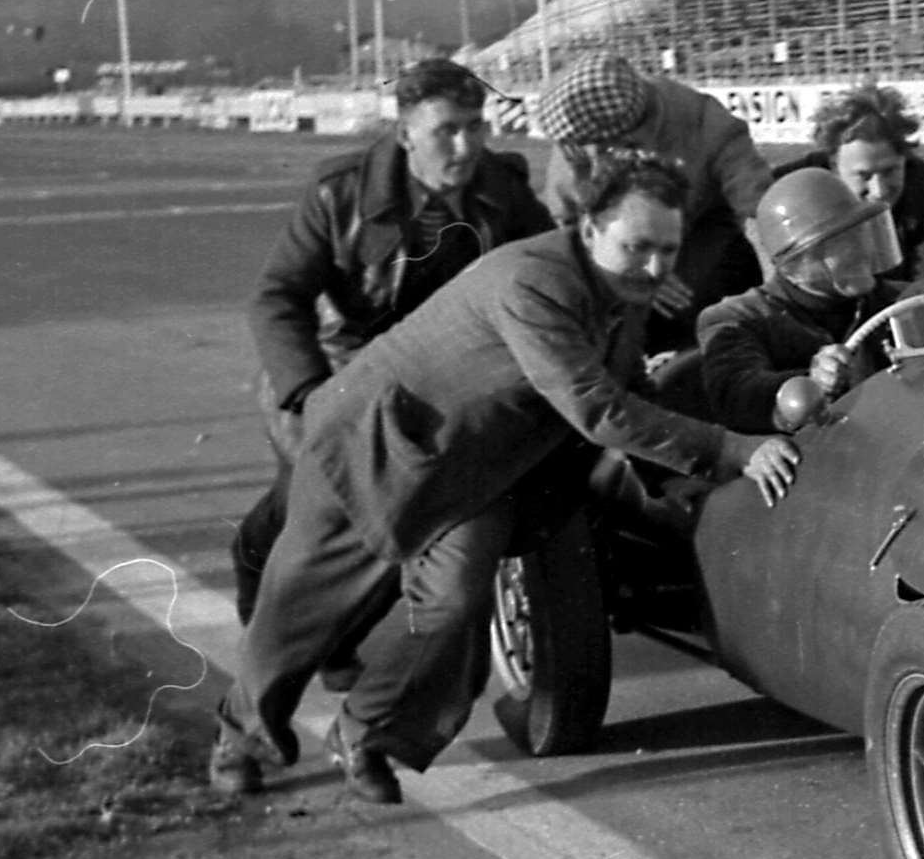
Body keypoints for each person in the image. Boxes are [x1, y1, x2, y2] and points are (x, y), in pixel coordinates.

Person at [211, 158, 801, 804]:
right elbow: (597, 408)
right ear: (588, 229)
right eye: (638, 247)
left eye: (667, 250)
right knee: (303, 606)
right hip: (370, 446)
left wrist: (700, 480)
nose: (656, 268)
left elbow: (629, 383)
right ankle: (243, 740)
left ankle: (365, 734)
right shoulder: (533, 282)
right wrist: (730, 448)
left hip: (474, 473)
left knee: (453, 605)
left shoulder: (619, 291)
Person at [231, 56, 552, 619]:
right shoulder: (339, 193)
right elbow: (277, 296)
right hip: (341, 368)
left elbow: (552, 270)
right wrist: (309, 395)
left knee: (419, 509)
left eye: (475, 127)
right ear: (405, 135)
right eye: (445, 131)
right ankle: (261, 564)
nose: (465, 147)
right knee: (319, 505)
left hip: (445, 373)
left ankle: (355, 633)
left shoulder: (506, 189)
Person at [528, 52, 774, 350]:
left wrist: (777, 290)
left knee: (692, 296)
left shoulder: (706, 123)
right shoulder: (578, 145)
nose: (612, 157)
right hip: (618, 236)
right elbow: (563, 226)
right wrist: (630, 267)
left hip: (700, 225)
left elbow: (759, 209)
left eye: (626, 146)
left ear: (645, 124)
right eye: (599, 151)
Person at [697, 167, 903, 436]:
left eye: (861, 233)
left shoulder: (903, 302)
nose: (862, 250)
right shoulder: (738, 318)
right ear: (798, 261)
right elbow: (738, 392)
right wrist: (809, 383)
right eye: (843, 243)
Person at [775, 82, 924, 290]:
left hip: (900, 308)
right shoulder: (792, 189)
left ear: (905, 159)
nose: (880, 190)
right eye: (864, 176)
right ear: (834, 167)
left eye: (890, 171)